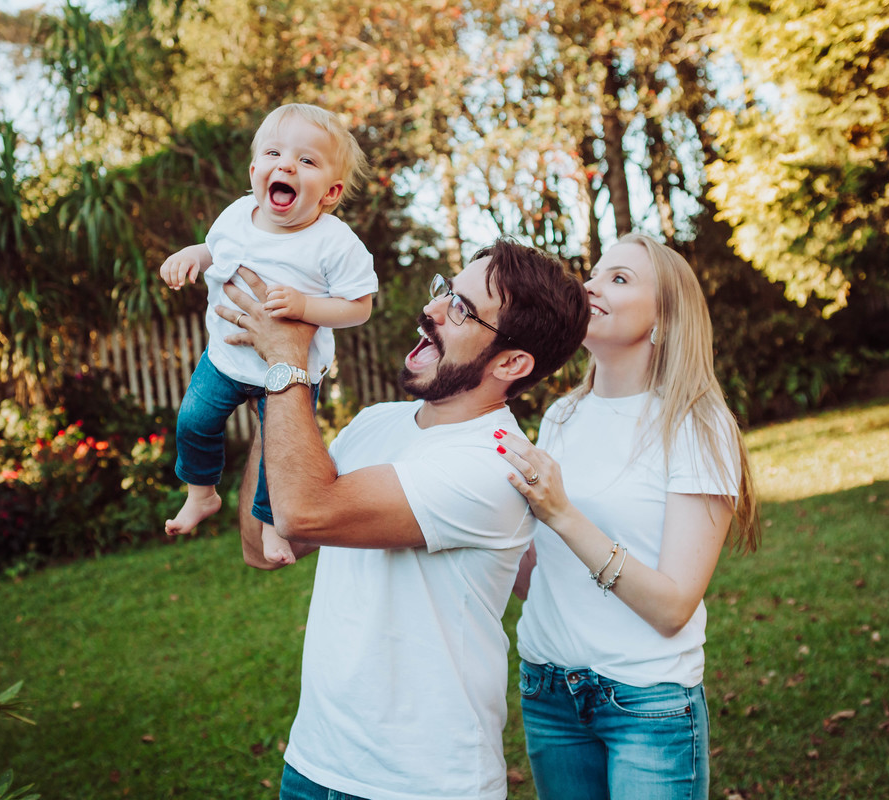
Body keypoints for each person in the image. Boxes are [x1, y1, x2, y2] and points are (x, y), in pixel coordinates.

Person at [218, 238, 589, 800]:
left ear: (512, 363)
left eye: (462, 309)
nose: (432, 310)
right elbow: (265, 542)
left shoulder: (492, 465)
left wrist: (285, 367)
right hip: (314, 762)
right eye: (446, 291)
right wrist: (268, 391)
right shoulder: (376, 423)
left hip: (421, 783)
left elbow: (304, 511)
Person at [493, 233, 760, 800]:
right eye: (594, 275)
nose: (591, 286)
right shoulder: (563, 415)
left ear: (664, 317)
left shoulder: (697, 423)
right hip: (548, 691)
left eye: (619, 278)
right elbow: (546, 577)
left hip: (645, 703)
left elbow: (672, 607)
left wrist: (562, 514)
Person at [159, 103, 378, 565]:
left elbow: (359, 308)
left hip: (290, 370)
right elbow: (214, 250)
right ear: (255, 168)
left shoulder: (334, 242)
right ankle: (202, 493)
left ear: (331, 192)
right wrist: (191, 258)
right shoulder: (238, 215)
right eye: (275, 153)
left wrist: (305, 307)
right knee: (193, 422)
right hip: (225, 358)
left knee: (276, 459)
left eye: (306, 161)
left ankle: (272, 524)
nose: (286, 165)